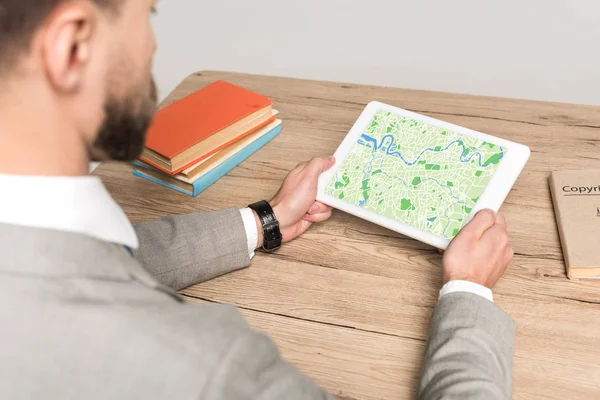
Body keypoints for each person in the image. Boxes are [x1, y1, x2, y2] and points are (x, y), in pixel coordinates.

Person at [0, 1, 515, 399]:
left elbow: (83, 261)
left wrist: (263, 221)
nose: (152, 44)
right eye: (145, 14)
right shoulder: (204, 366)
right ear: (71, 47)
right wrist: (468, 295)